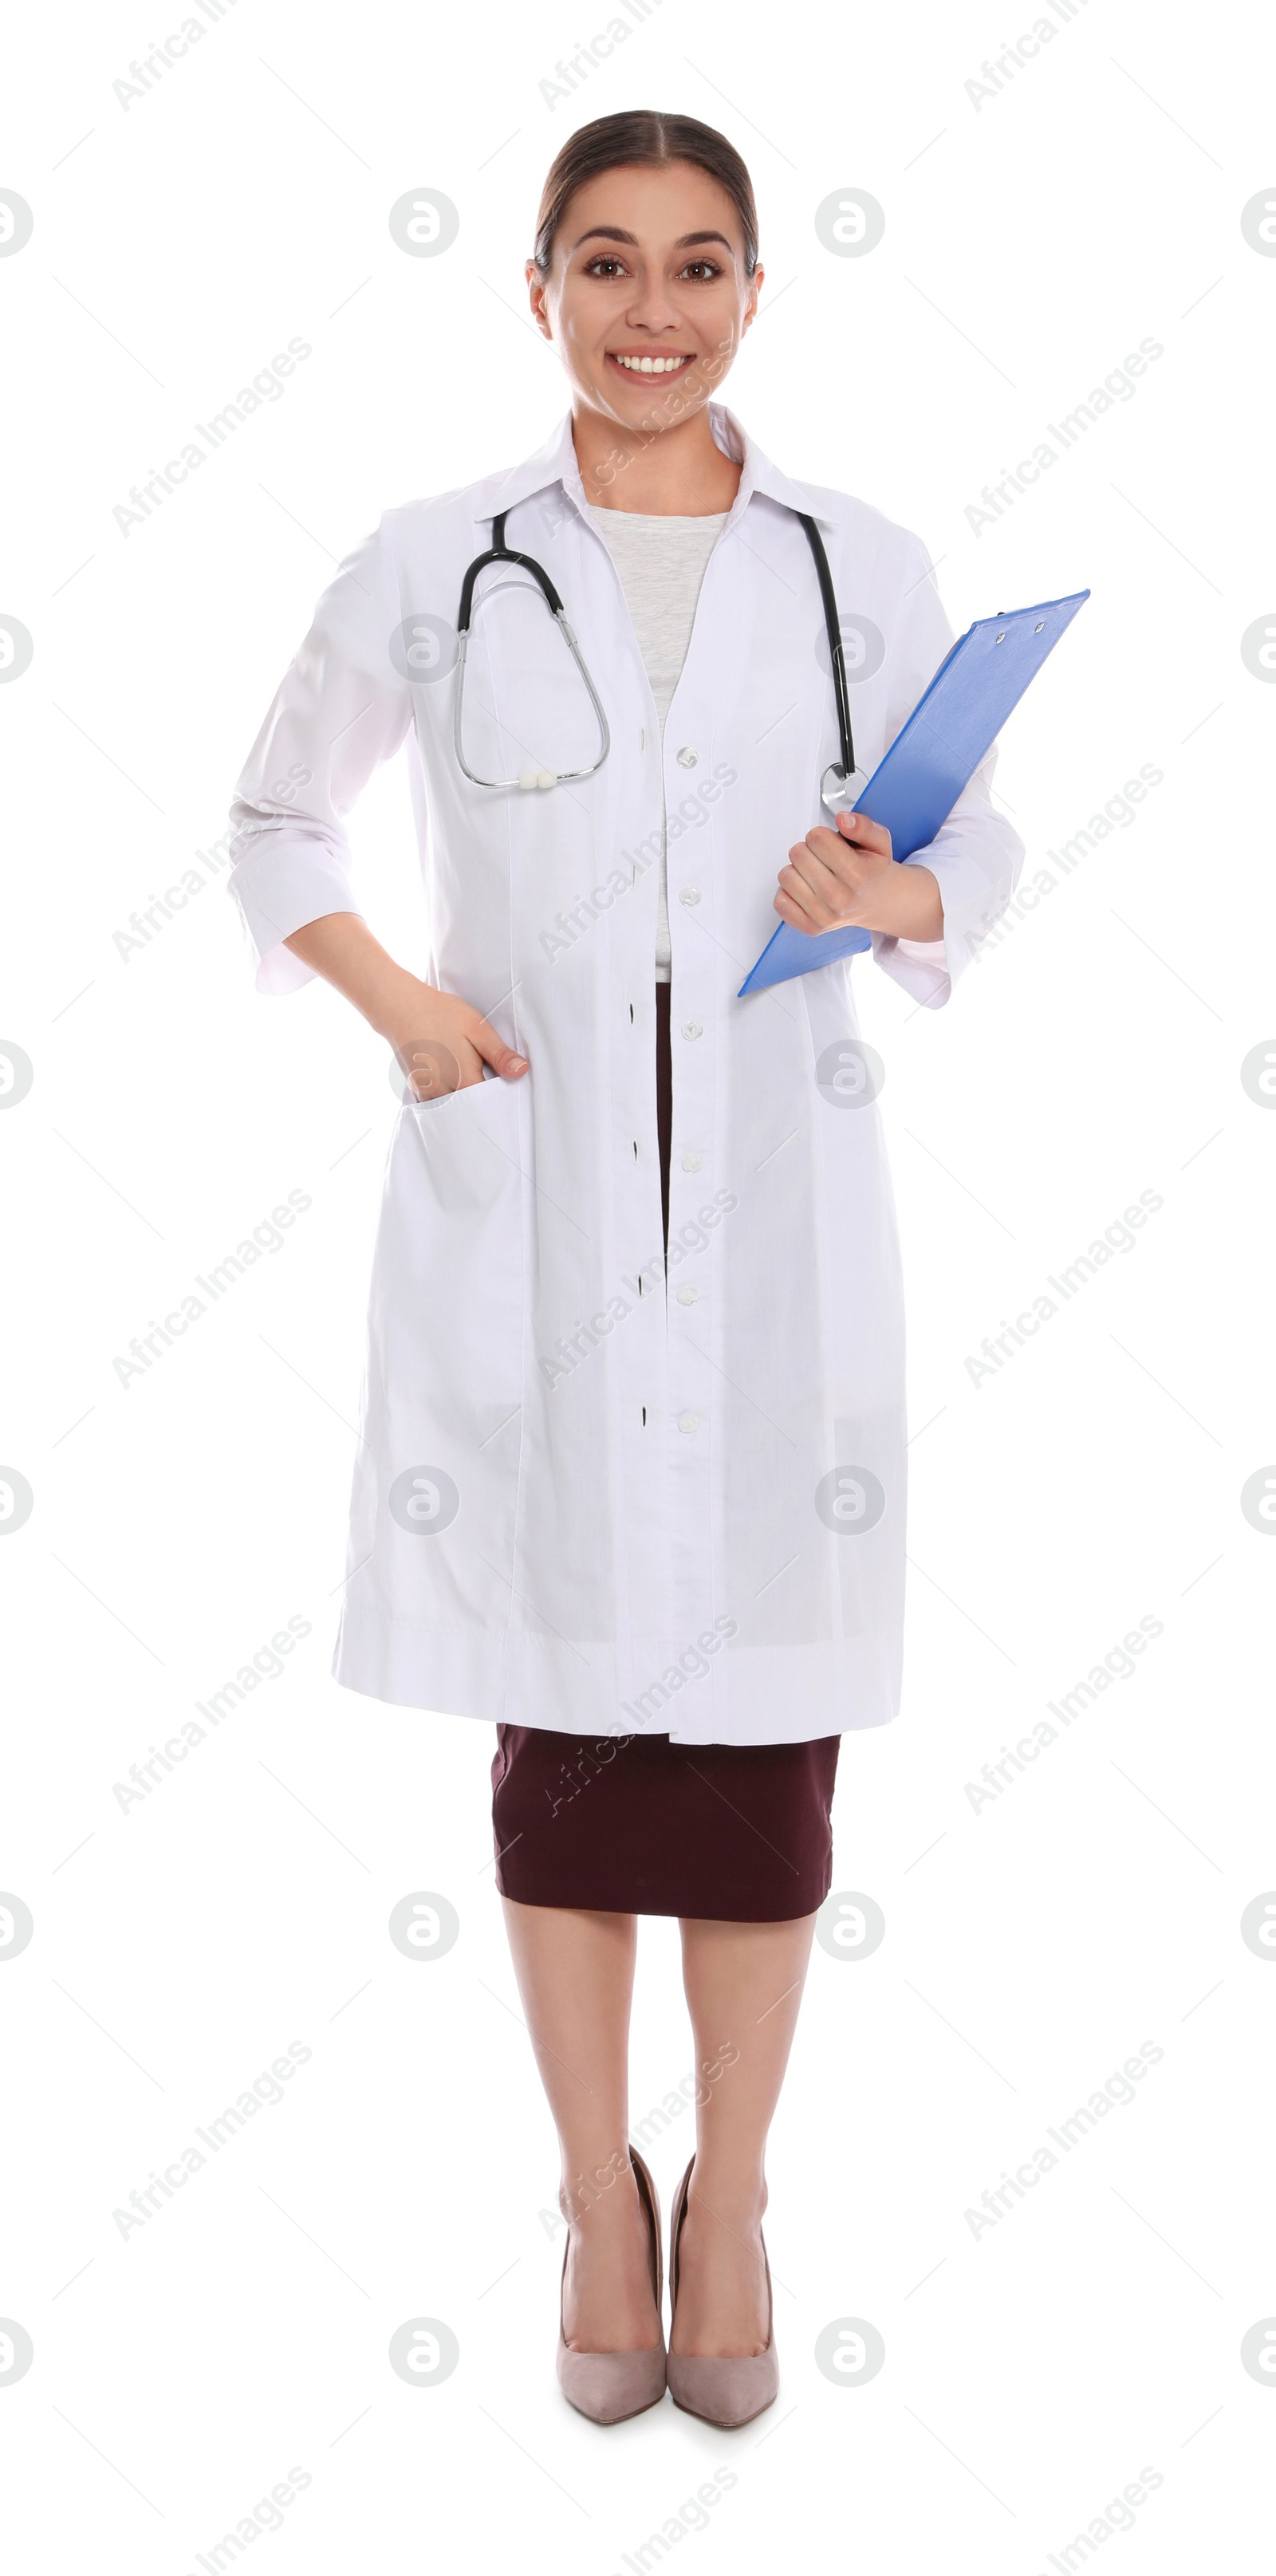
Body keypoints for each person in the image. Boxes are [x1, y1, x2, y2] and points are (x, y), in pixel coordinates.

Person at [226, 108, 1024, 2428]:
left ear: (759, 293)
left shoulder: (858, 566)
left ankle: (741, 2197)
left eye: (696, 265)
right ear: (540, 293)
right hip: (533, 1210)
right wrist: (407, 1008)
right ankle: (596, 2191)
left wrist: (891, 896)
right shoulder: (431, 555)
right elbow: (280, 815)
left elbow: (976, 846)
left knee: (766, 1752)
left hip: (779, 1214)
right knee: (560, 1731)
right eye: (605, 263)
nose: (652, 308)